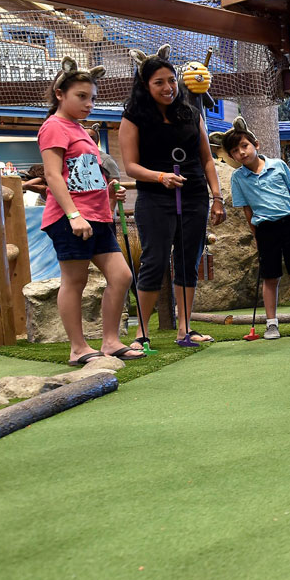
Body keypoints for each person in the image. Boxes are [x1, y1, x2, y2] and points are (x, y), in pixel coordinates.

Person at [118, 44, 225, 350]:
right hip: (155, 197)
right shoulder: (134, 117)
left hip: (193, 196)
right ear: (145, 85)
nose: (168, 88)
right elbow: (131, 166)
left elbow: (206, 158)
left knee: (188, 260)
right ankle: (141, 332)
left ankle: (185, 329)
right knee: (153, 260)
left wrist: (216, 196)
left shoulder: (191, 112)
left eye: (171, 81)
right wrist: (160, 177)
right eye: (159, 82)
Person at [37, 57, 143, 365]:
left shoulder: (80, 130)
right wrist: (73, 215)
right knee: (75, 280)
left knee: (121, 276)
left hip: (98, 216)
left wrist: (110, 193)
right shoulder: (54, 127)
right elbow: (54, 175)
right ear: (60, 93)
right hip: (71, 218)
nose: (89, 103)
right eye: (81, 96)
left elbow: (84, 174)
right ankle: (78, 347)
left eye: (92, 97)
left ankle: (110, 341)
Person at [221, 117, 290, 339]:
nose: (242, 152)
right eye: (236, 151)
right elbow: (247, 209)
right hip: (265, 229)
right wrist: (255, 234)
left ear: (256, 144)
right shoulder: (238, 177)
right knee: (270, 277)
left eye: (245, 146)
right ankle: (271, 324)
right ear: (231, 156)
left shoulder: (279, 165)